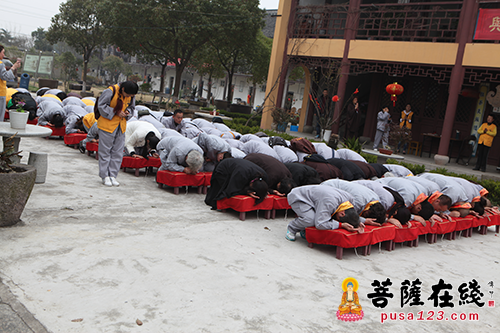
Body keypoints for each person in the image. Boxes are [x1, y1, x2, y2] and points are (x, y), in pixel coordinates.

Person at [285, 185, 364, 241]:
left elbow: (352, 214)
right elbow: (320, 224)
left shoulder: (350, 201)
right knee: (310, 220)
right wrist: (341, 225)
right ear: (342, 213)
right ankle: (292, 228)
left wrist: (357, 221)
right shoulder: (329, 203)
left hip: (316, 199)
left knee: (318, 217)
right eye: (338, 219)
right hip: (300, 198)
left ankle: (303, 228)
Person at [97, 81, 138, 187]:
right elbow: (101, 106)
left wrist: (127, 112)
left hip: (121, 126)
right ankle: (104, 176)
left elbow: (131, 107)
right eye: (128, 95)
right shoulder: (110, 91)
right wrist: (115, 111)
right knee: (105, 152)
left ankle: (113, 175)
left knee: (118, 152)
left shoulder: (131, 95)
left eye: (131, 96)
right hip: (107, 125)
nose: (129, 97)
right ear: (123, 89)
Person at [204, 158, 269, 210]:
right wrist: (247, 191)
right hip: (223, 169)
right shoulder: (241, 174)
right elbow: (231, 189)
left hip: (239, 169)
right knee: (225, 189)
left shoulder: (264, 176)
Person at [0, 45, 21, 122]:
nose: (4, 55)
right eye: (3, 53)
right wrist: (13, 67)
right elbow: (4, 76)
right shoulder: (0, 64)